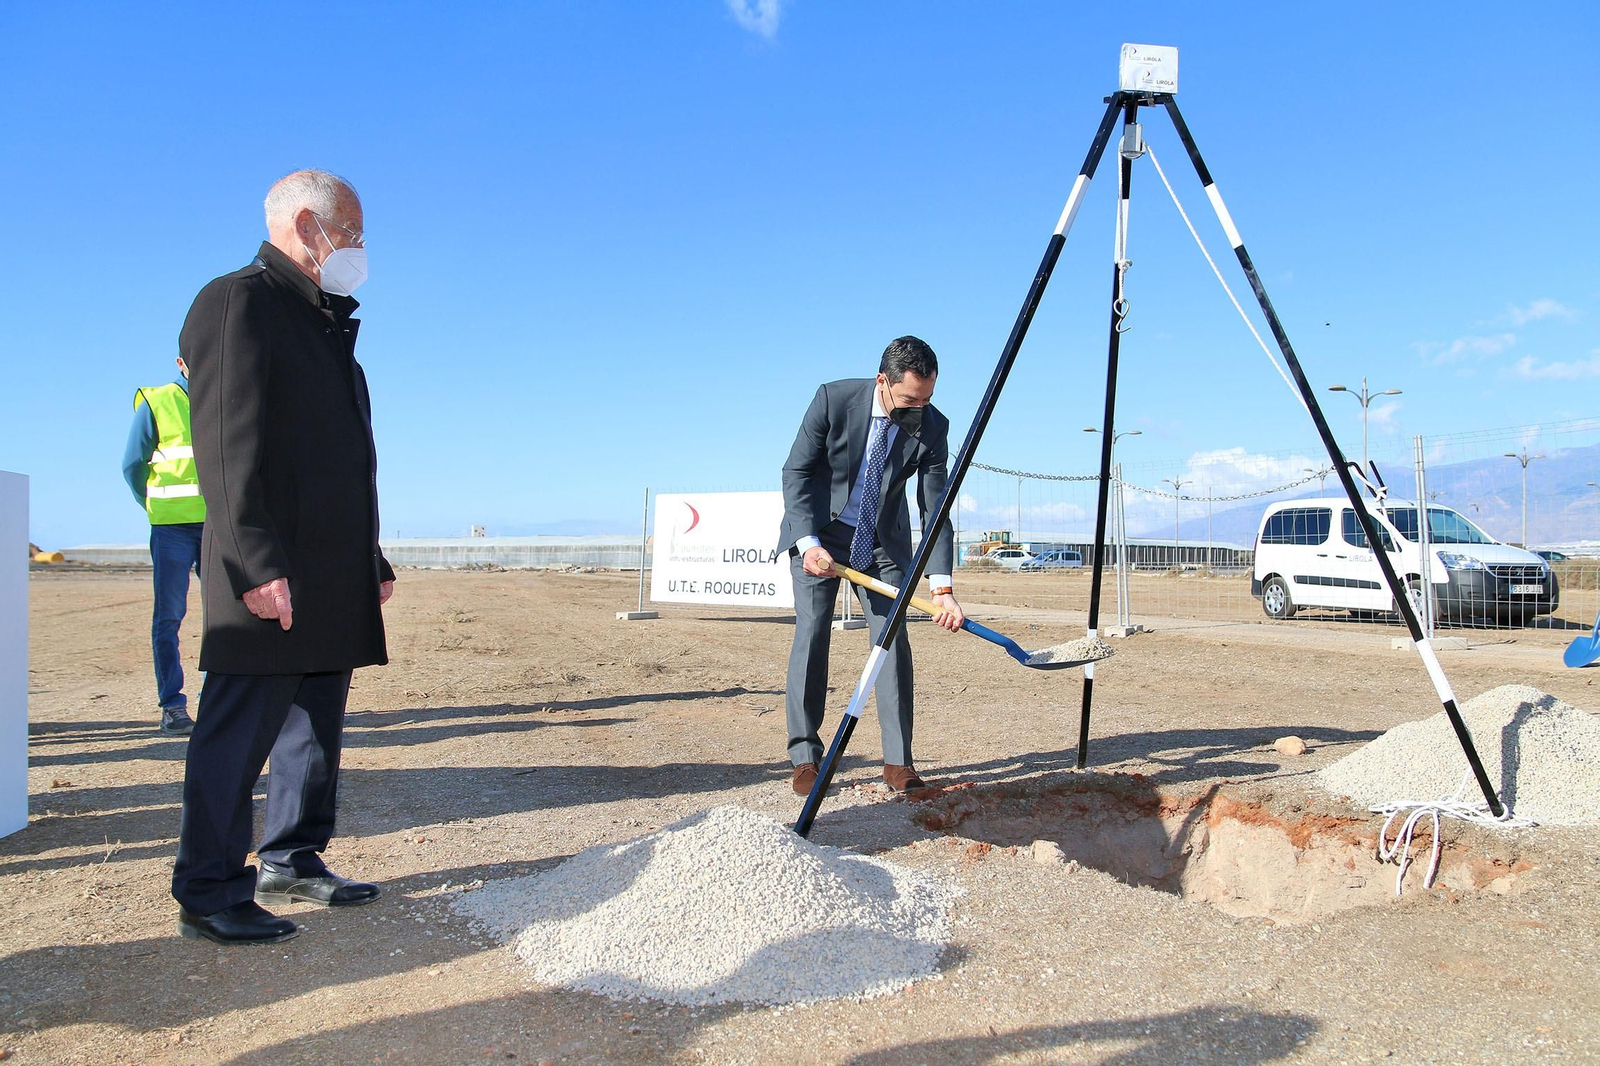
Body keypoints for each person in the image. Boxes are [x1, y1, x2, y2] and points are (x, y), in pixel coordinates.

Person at [171, 169, 394, 946]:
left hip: (328, 567)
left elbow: (338, 461)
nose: (360, 248)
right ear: (308, 226)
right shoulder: (240, 303)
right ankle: (207, 887)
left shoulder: (325, 324)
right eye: (354, 231)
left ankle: (292, 856)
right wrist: (256, 564)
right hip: (267, 567)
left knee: (313, 722)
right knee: (238, 730)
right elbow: (228, 450)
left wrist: (371, 557)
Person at [778, 336, 965, 796]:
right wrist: (807, 543)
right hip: (821, 532)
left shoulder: (932, 425)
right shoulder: (833, 399)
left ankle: (899, 762)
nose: (917, 408)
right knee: (813, 630)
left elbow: (936, 508)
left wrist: (942, 587)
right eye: (909, 399)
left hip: (882, 543)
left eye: (926, 399)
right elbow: (797, 472)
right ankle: (806, 757)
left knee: (891, 638)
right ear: (883, 381)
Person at [122, 357, 205, 736]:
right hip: (171, 528)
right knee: (169, 618)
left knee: (231, 616)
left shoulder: (221, 397)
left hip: (217, 526)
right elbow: (133, 465)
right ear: (180, 361)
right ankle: (172, 705)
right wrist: (154, 506)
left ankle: (228, 703)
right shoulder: (156, 400)